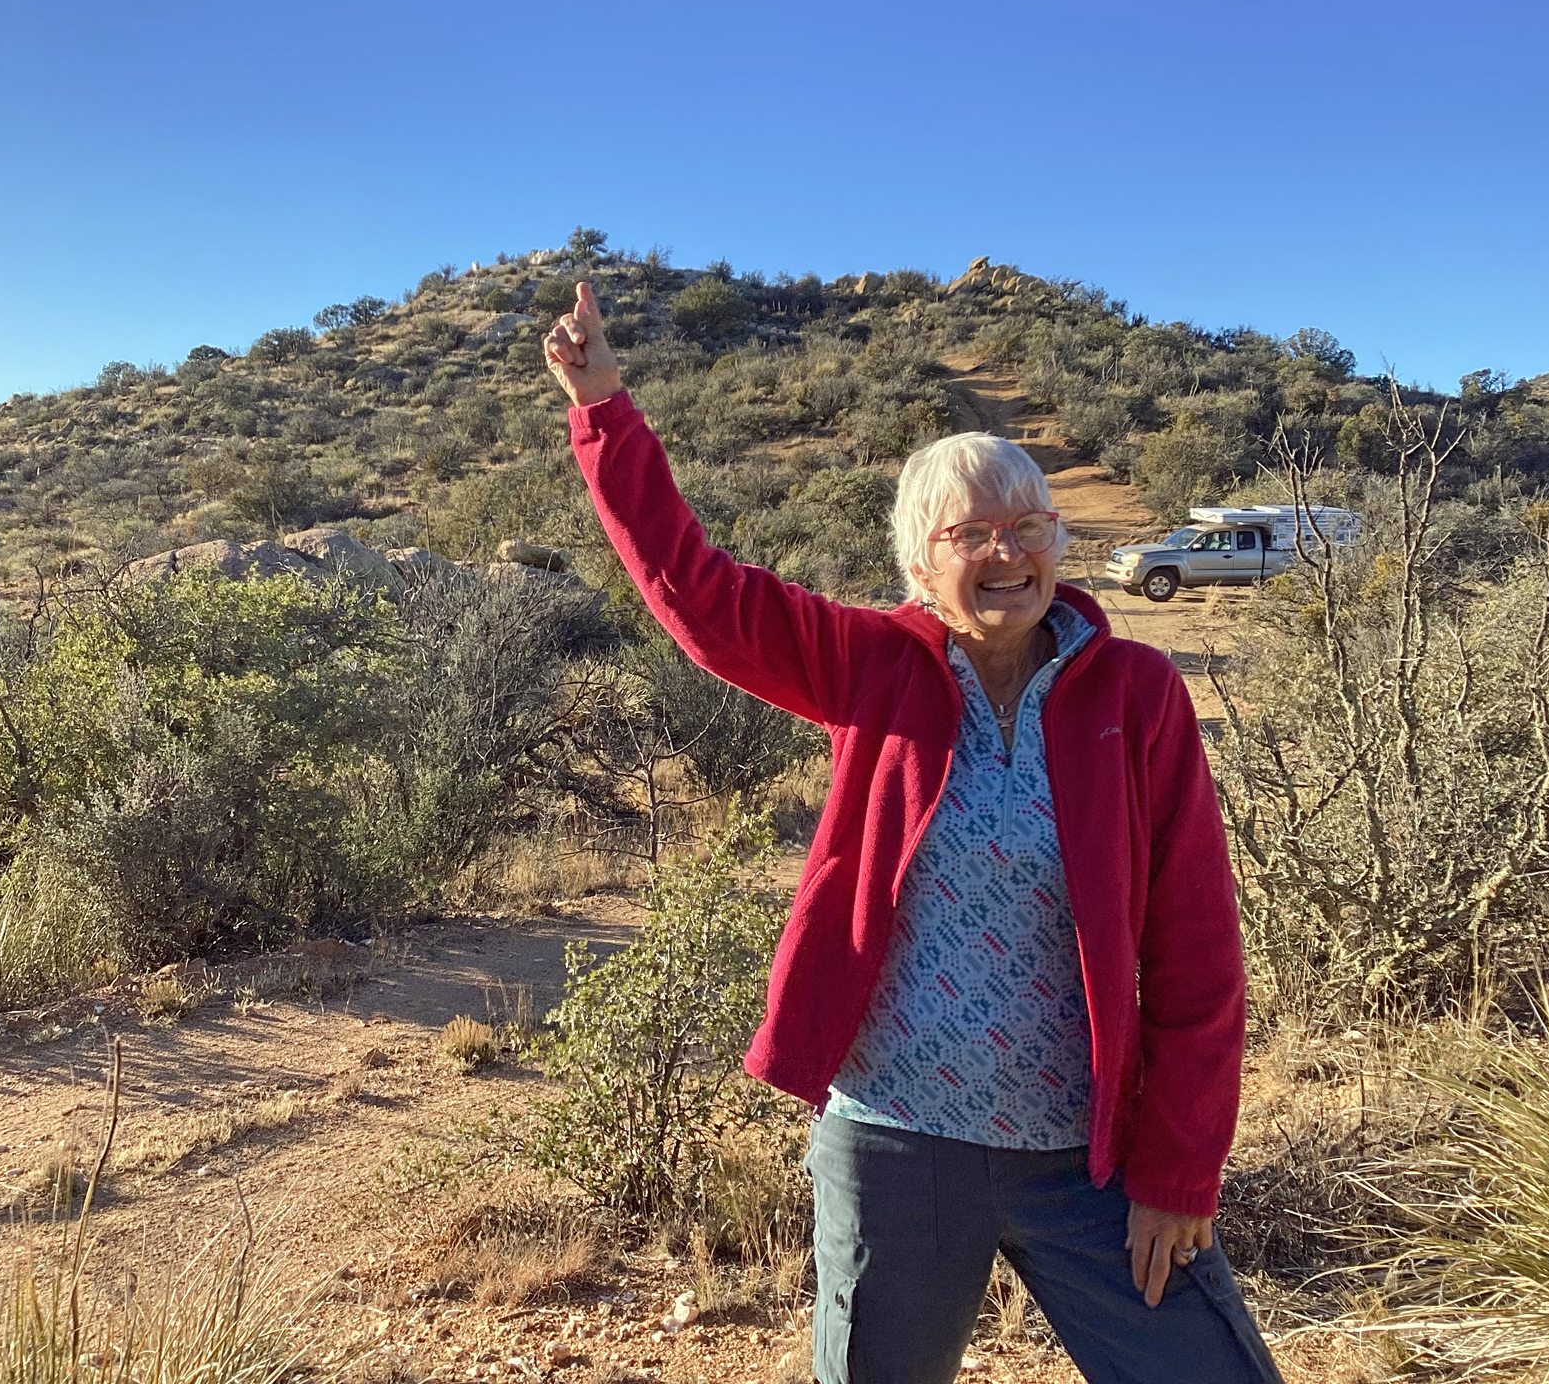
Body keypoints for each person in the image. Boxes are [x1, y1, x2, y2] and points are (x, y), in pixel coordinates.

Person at [543, 283, 1283, 1384]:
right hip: (896, 1141)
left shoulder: (1134, 692)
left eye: (1028, 526)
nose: (1007, 552)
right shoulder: (871, 667)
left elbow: (1195, 950)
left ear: (1058, 542)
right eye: (973, 533)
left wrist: (1180, 1170)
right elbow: (699, 594)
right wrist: (604, 409)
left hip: (1086, 1155)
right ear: (921, 565)